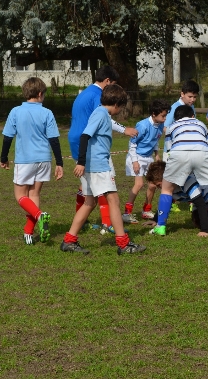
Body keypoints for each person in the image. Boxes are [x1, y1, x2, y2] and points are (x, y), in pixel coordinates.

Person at [60, 85, 146, 255]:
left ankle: (69, 240)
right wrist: (81, 162)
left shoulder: (101, 113)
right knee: (113, 200)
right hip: (98, 166)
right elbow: (85, 136)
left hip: (94, 165)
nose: (120, 110)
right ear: (116, 104)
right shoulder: (100, 114)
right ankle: (123, 243)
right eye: (121, 107)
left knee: (89, 202)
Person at [148, 105, 208, 237]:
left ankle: (161, 226)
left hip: (178, 153)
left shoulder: (171, 127)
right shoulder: (200, 124)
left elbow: (169, 150)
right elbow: (207, 144)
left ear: (176, 118)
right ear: (192, 116)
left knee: (166, 190)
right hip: (203, 151)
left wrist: (174, 172)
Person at [67, 65, 137, 233]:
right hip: (92, 145)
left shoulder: (84, 93)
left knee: (87, 188)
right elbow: (102, 117)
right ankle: (109, 223)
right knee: (108, 187)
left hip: (77, 140)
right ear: (107, 81)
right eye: (113, 84)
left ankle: (75, 231)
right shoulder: (98, 96)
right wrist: (124, 129)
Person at [0, 77, 64, 245]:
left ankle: (39, 216)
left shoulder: (16, 111)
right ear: (40, 94)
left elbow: (7, 138)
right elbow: (54, 140)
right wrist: (59, 163)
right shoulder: (47, 112)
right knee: (34, 194)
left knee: (20, 196)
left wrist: (3, 157)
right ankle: (28, 231)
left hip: (25, 160)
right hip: (44, 159)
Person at [144, 160, 208, 237]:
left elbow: (200, 203)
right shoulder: (170, 189)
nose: (158, 188)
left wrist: (204, 230)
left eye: (159, 185)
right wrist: (156, 220)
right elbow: (166, 204)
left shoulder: (186, 182)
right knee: (196, 220)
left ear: (167, 178)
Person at [122, 99, 171, 224]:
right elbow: (132, 144)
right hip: (137, 157)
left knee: (153, 184)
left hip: (148, 157)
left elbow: (155, 140)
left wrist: (156, 155)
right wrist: (135, 162)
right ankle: (127, 213)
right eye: (163, 115)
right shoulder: (142, 126)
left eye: (166, 115)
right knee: (139, 184)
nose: (165, 118)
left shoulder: (159, 125)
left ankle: (146, 210)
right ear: (154, 114)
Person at [162, 80, 199, 214]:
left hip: (187, 151)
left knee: (189, 175)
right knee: (172, 178)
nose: (192, 99)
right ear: (182, 94)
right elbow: (165, 127)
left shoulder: (191, 107)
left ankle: (192, 200)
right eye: (190, 96)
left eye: (195, 97)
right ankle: (169, 202)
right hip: (172, 151)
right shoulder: (174, 108)